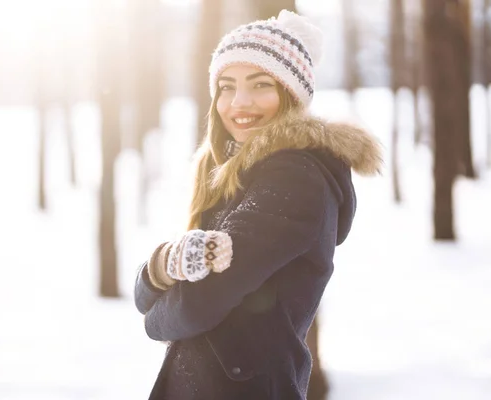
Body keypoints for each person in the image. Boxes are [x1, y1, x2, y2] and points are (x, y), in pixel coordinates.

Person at [134, 9, 382, 400]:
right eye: (227, 87)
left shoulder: (293, 176)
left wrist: (154, 318)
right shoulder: (236, 173)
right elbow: (149, 290)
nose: (239, 103)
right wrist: (161, 265)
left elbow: (199, 303)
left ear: (291, 94)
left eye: (260, 84)